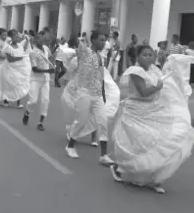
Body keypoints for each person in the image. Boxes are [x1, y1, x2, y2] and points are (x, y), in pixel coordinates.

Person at [110, 47, 194, 194]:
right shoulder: (136, 71)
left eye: (150, 55)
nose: (148, 57)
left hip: (154, 110)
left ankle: (153, 178)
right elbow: (143, 92)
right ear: (138, 56)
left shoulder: (154, 69)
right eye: (145, 55)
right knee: (139, 145)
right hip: (136, 111)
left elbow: (165, 82)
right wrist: (158, 87)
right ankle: (120, 168)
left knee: (162, 141)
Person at [63, 29, 114, 165]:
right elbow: (73, 37)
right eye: (102, 40)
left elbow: (100, 76)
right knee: (82, 120)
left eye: (105, 40)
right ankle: (70, 146)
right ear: (94, 40)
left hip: (96, 94)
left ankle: (103, 155)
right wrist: (77, 18)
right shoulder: (84, 51)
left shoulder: (99, 57)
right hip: (83, 92)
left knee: (103, 121)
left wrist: (103, 94)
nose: (104, 43)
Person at [0, 30, 31, 108]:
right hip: (9, 68)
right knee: (8, 85)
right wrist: (20, 58)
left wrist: (27, 40)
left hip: (19, 69)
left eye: (18, 37)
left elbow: (24, 49)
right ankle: (6, 100)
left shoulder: (20, 45)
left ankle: (19, 102)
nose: (18, 39)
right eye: (16, 37)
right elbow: (10, 59)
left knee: (19, 84)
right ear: (12, 38)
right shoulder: (7, 47)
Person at [23, 33, 55, 131]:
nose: (43, 40)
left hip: (45, 79)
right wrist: (48, 71)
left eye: (42, 38)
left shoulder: (46, 48)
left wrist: (52, 64)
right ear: (35, 41)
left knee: (46, 101)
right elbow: (34, 69)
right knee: (33, 101)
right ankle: (27, 112)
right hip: (36, 79)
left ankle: (40, 122)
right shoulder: (33, 53)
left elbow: (50, 57)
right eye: (40, 39)